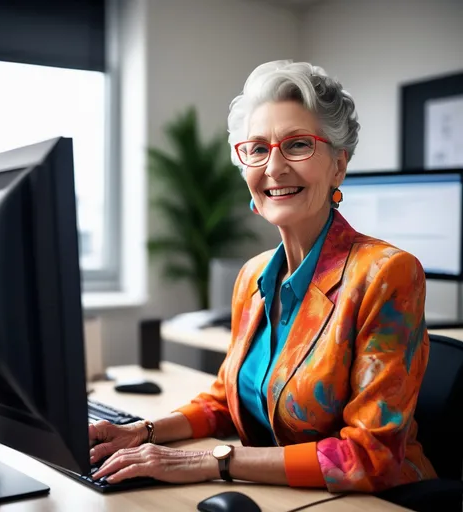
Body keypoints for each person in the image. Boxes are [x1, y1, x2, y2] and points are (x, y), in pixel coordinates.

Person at [89, 60, 437, 493]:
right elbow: (224, 402)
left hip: (378, 503)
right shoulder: (252, 276)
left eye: (297, 145)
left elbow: (368, 458)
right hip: (274, 495)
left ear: (339, 165)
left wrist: (207, 462)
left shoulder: (387, 274)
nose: (273, 167)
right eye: (256, 148)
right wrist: (143, 433)